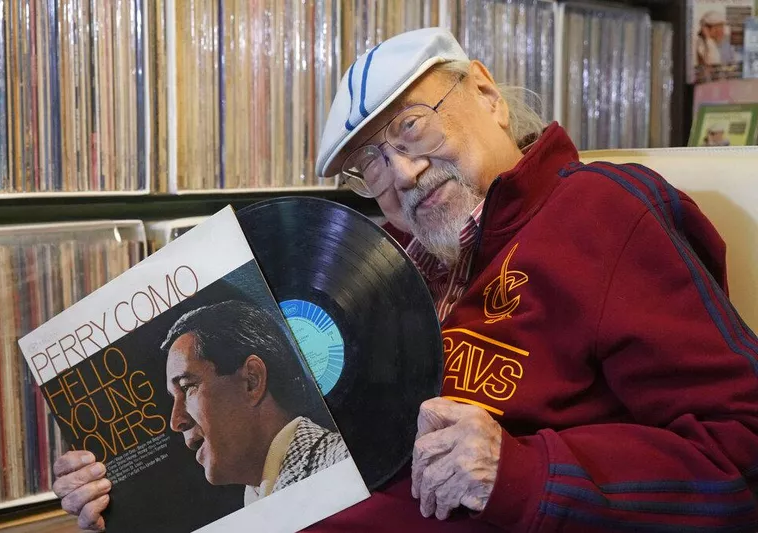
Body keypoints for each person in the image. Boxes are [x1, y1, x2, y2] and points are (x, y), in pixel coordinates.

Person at [53, 27, 758, 532]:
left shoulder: (604, 211)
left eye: (413, 128)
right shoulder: (384, 259)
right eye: (373, 165)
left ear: (486, 94)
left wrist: (520, 473)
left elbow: (741, 452)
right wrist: (125, 486)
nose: (404, 174)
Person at [52, 300, 349, 531]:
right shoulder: (258, 494)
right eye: (173, 398)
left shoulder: (344, 465)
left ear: (251, 381)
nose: (176, 421)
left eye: (188, 387)